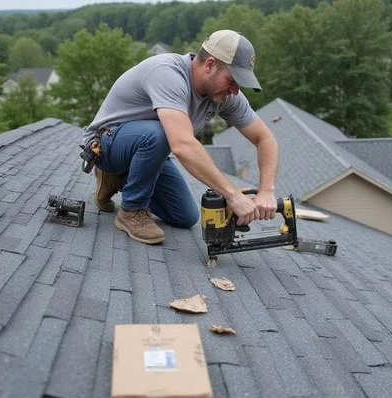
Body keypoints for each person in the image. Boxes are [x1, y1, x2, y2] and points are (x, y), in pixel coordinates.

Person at [82, 30, 279, 245]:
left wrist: (266, 191)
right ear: (210, 64)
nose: (235, 90)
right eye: (232, 80)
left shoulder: (226, 96)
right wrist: (233, 195)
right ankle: (132, 210)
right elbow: (182, 145)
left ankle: (117, 178)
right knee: (160, 134)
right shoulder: (168, 73)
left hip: (149, 149)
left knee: (185, 216)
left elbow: (265, 138)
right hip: (105, 145)